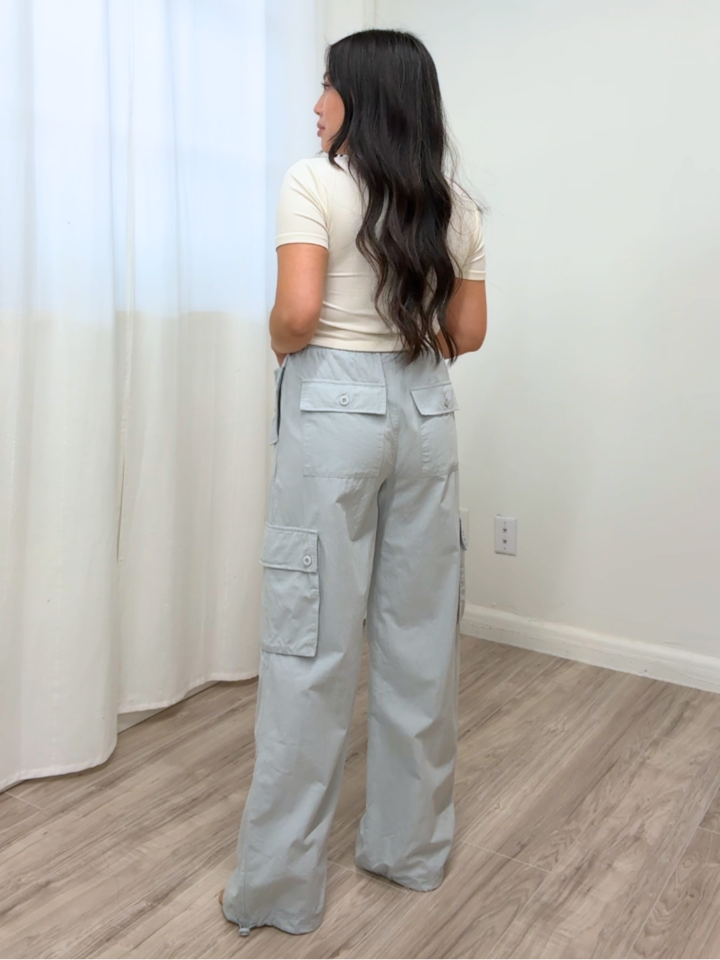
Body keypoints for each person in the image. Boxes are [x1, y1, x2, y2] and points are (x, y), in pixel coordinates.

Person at [219, 28, 487, 937]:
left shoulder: (314, 181)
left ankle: (278, 891)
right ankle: (410, 853)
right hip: (427, 413)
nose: (316, 102)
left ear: (362, 96)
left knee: (311, 648)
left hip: (335, 410)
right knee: (420, 641)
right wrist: (403, 349)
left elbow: (297, 313)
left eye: (327, 85)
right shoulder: (454, 204)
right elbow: (467, 334)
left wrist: (282, 339)